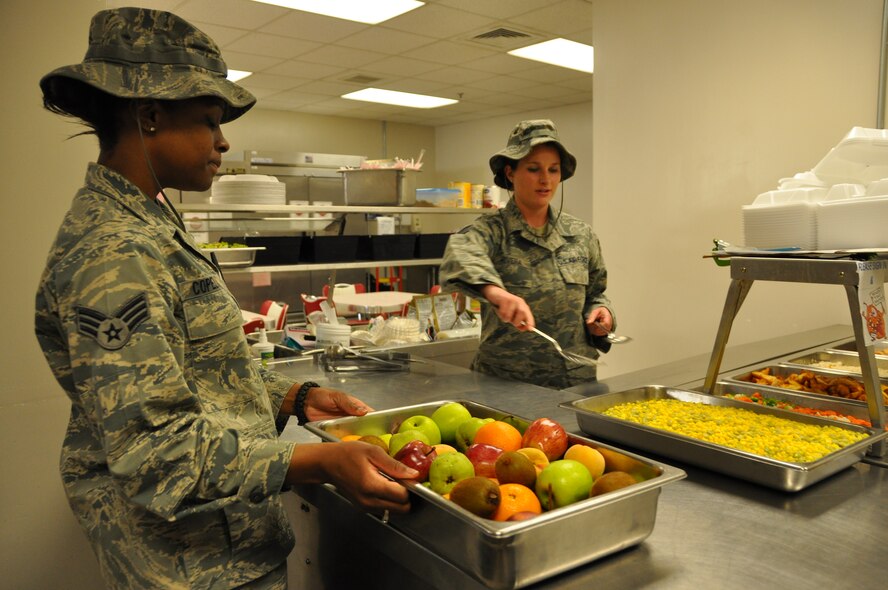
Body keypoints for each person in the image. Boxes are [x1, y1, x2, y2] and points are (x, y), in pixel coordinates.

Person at [34, 8, 417, 589]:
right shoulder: (113, 254)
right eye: (210, 121)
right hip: (192, 564)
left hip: (222, 543)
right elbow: (157, 454)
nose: (223, 140)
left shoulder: (150, 223)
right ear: (150, 115)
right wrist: (316, 462)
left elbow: (194, 371)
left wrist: (293, 397)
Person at [439, 119, 615, 389]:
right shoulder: (492, 230)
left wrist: (602, 313)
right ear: (510, 173)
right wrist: (496, 293)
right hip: (506, 383)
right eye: (533, 169)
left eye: (553, 170)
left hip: (575, 380)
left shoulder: (580, 234)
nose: (546, 179)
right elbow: (460, 252)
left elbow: (596, 293)